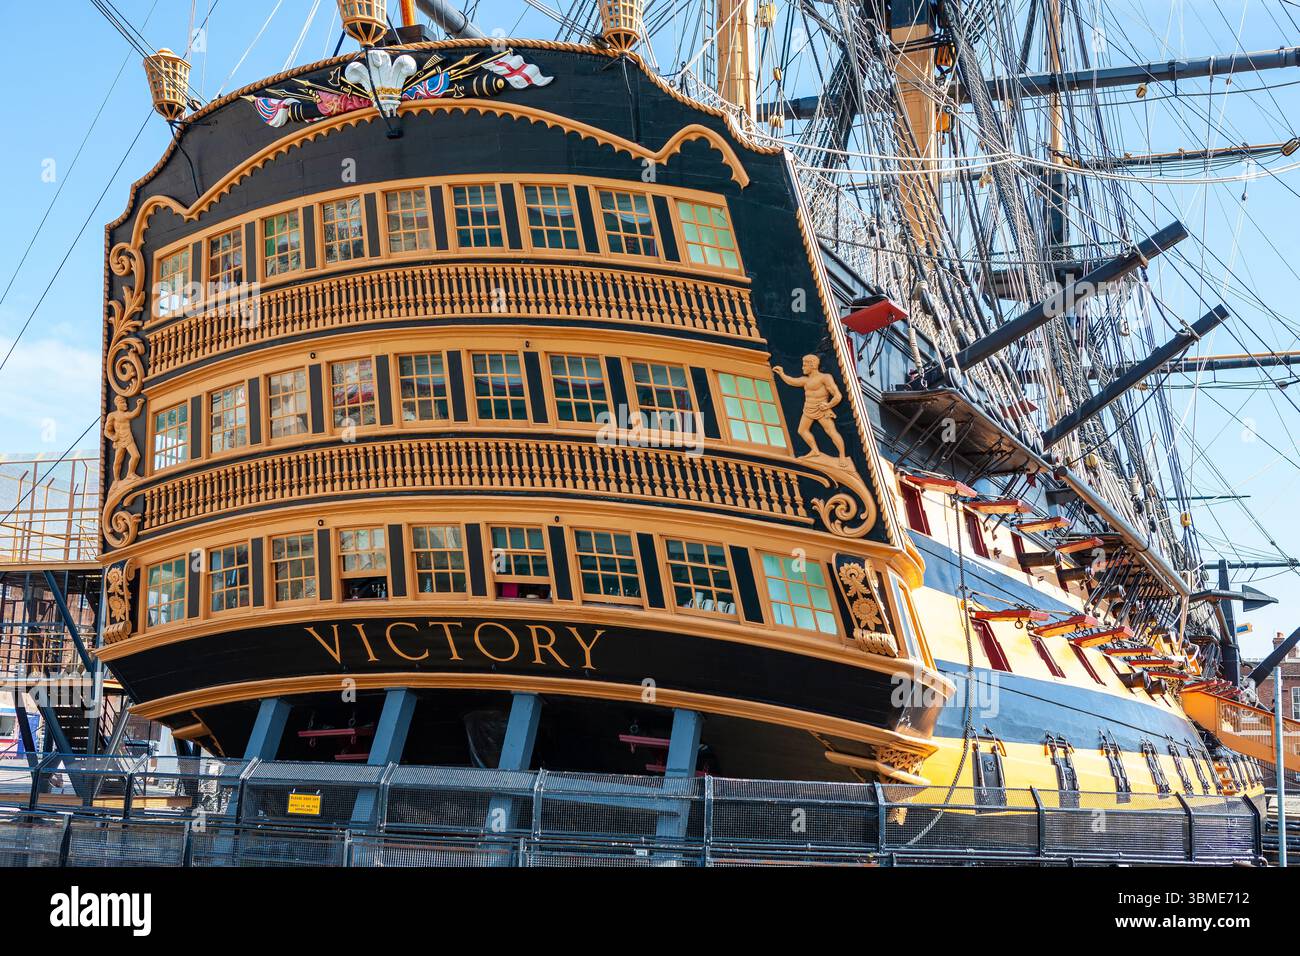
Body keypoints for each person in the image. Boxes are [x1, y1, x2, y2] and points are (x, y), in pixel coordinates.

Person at [773, 354, 848, 460]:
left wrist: (828, 405)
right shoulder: (805, 380)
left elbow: (837, 395)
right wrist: (782, 373)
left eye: (805, 365)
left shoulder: (825, 378)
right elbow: (792, 381)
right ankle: (815, 450)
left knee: (831, 431)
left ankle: (842, 456)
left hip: (821, 409)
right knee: (802, 431)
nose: (802, 367)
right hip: (808, 409)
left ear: (812, 365)